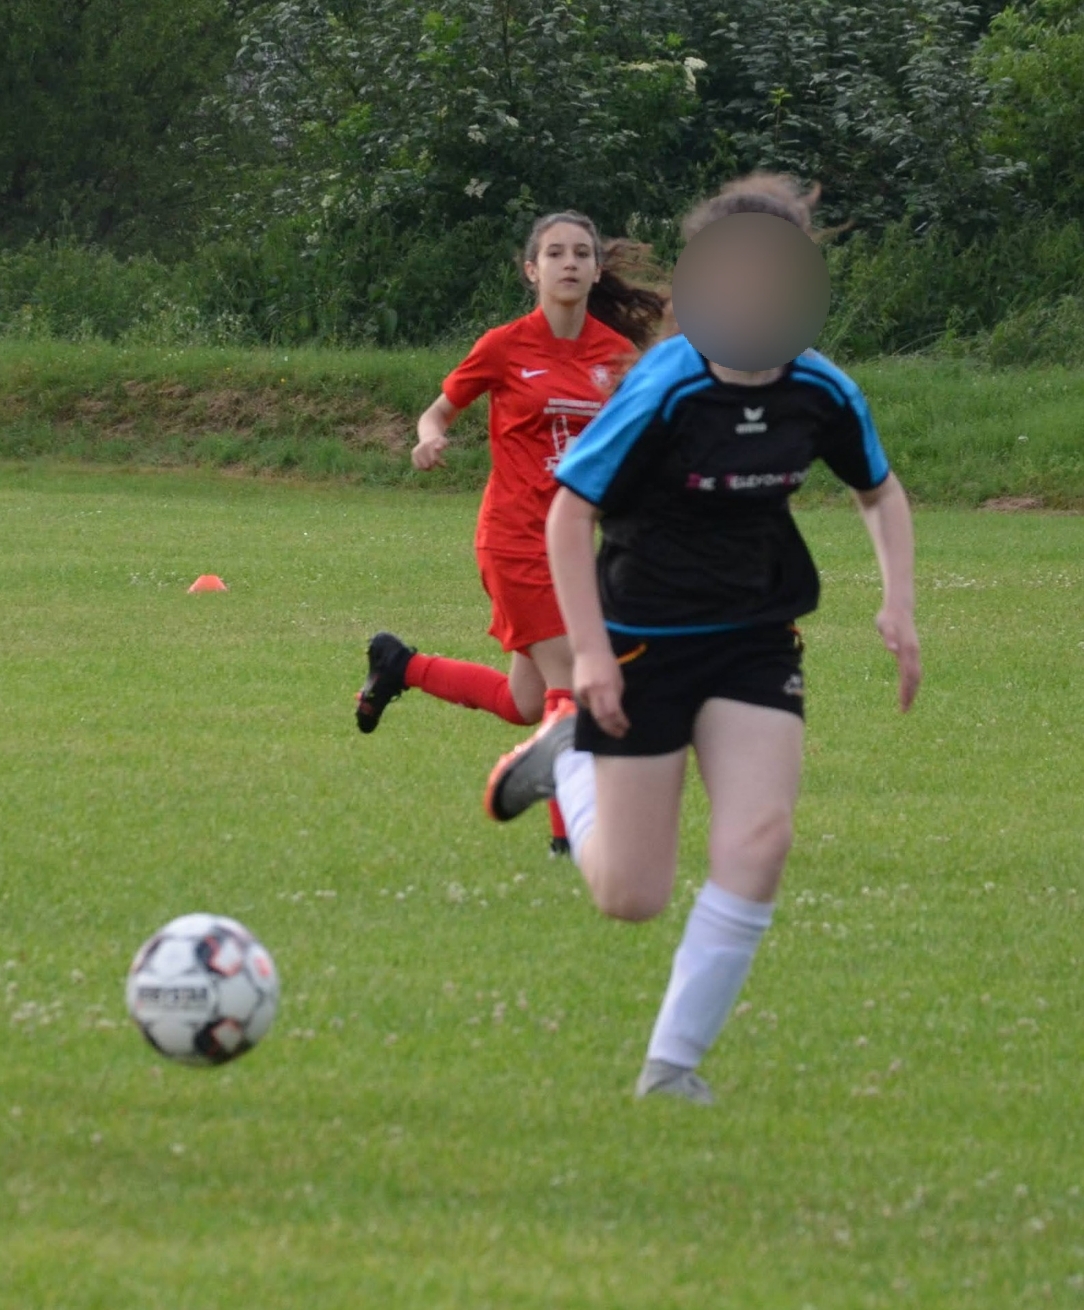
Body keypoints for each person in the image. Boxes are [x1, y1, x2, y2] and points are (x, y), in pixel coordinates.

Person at [483, 174, 922, 1103]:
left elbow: (878, 491)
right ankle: (567, 758)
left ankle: (670, 1067)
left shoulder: (821, 388)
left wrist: (900, 603)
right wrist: (589, 655)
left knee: (761, 839)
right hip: (643, 638)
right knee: (631, 895)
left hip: (756, 637)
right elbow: (569, 515)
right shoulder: (666, 385)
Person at [355, 211, 665, 855]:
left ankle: (402, 666)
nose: (569, 262)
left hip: (576, 548)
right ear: (532, 270)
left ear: (596, 270)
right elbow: (437, 412)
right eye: (555, 253)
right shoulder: (504, 346)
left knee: (526, 703)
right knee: (575, 679)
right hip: (515, 538)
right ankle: (567, 841)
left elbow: (644, 441)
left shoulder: (617, 356)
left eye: (581, 253)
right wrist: (429, 439)